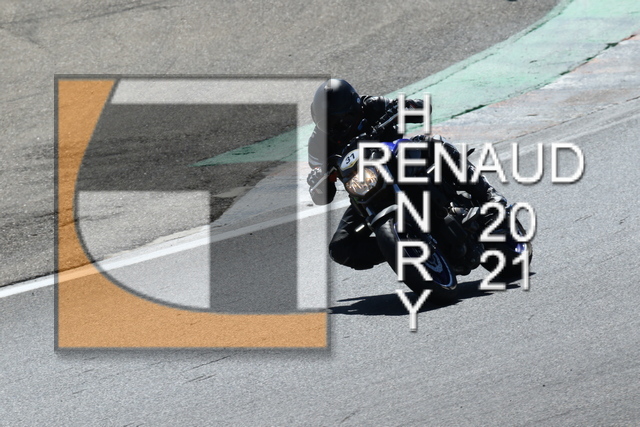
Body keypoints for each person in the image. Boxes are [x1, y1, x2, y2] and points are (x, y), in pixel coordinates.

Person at [306, 78, 506, 272]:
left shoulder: (372, 105)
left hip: (400, 161)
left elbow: (423, 109)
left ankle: (488, 194)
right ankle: (401, 249)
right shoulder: (317, 144)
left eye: (340, 121)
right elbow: (323, 196)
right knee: (340, 248)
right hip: (365, 190)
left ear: (354, 108)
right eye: (326, 123)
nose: (334, 128)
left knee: (435, 143)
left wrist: (403, 107)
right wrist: (319, 182)